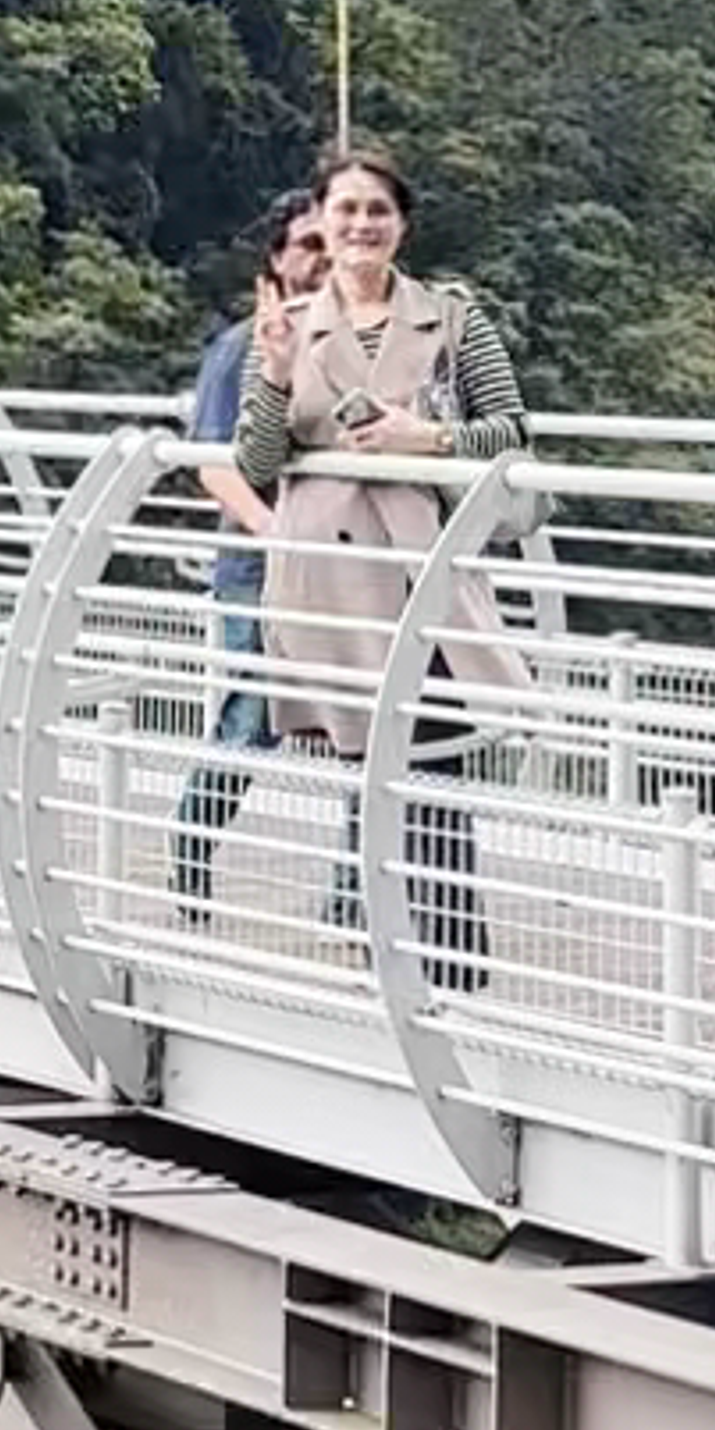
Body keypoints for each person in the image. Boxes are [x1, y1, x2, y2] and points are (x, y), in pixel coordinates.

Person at [234, 147, 524, 989]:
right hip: (326, 578)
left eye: (378, 211)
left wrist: (425, 437)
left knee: (430, 753)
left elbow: (510, 433)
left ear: (402, 224)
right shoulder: (289, 322)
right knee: (365, 761)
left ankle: (451, 961)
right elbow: (255, 460)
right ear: (321, 220)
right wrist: (279, 373)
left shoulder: (455, 320)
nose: (361, 225)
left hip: (416, 565)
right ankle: (390, 952)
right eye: (346, 209)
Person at [174, 193, 327, 922]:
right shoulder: (240, 349)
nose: (322, 257)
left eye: (332, 243)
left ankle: (354, 904)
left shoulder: (351, 348)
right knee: (252, 717)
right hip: (259, 566)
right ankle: (191, 852)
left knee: (365, 726)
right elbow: (212, 462)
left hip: (343, 566)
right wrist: (274, 529)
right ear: (277, 256)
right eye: (307, 243)